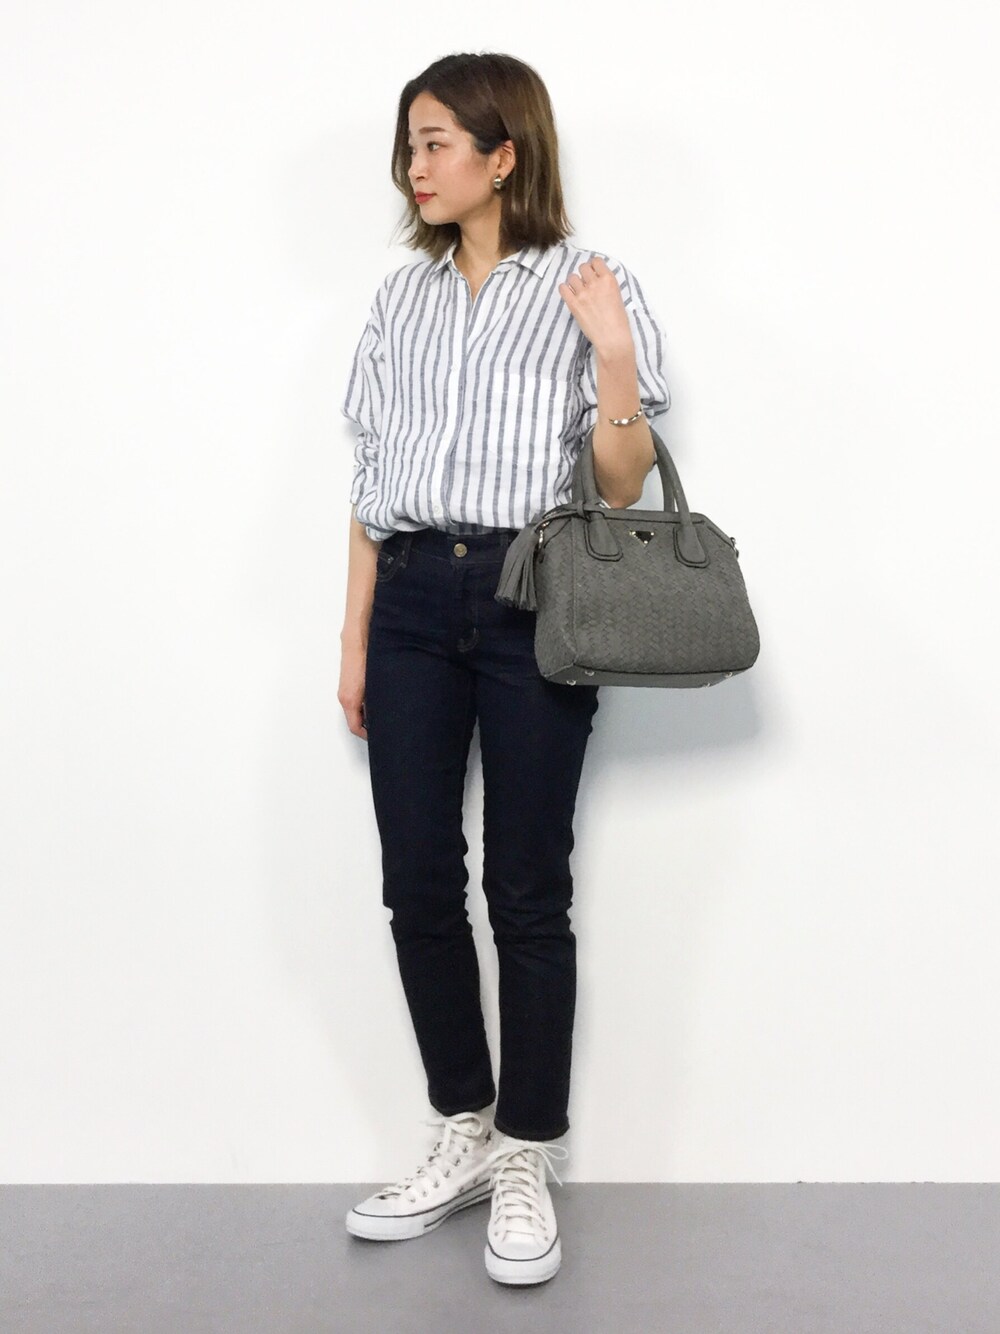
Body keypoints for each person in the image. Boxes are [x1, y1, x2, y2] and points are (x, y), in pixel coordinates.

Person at [338, 52, 671, 1286]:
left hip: (538, 596)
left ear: (503, 154)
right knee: (416, 878)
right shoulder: (402, 300)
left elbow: (622, 486)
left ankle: (530, 1148)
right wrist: (354, 635)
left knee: (527, 887)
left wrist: (614, 359)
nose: (413, 166)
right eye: (409, 144)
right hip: (412, 599)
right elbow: (370, 482)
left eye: (435, 142)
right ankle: (463, 1126)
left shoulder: (590, 282)